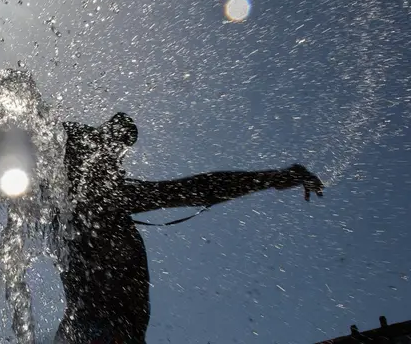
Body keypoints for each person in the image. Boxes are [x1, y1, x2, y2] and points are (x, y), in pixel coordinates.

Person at [55, 112, 324, 344]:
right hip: (102, 333)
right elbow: (201, 188)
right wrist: (275, 178)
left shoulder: (74, 207)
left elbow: (199, 188)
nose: (119, 165)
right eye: (112, 158)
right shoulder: (103, 199)